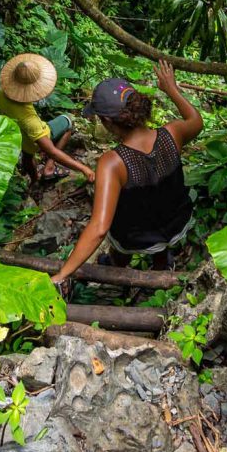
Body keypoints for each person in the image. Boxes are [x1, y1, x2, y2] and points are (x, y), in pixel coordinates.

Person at [50, 60, 203, 287]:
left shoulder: (112, 163)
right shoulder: (173, 132)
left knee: (120, 240)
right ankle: (162, 266)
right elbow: (196, 121)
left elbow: (99, 227)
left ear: (108, 121)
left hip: (136, 237)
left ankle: (117, 264)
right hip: (177, 222)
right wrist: (171, 89)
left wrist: (62, 275)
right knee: (159, 240)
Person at [0, 53, 95, 183]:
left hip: (19, 136)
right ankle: (49, 168)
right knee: (68, 122)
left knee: (27, 155)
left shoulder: (1, 91)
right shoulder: (30, 120)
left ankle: (35, 181)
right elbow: (52, 152)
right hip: (35, 136)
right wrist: (83, 168)